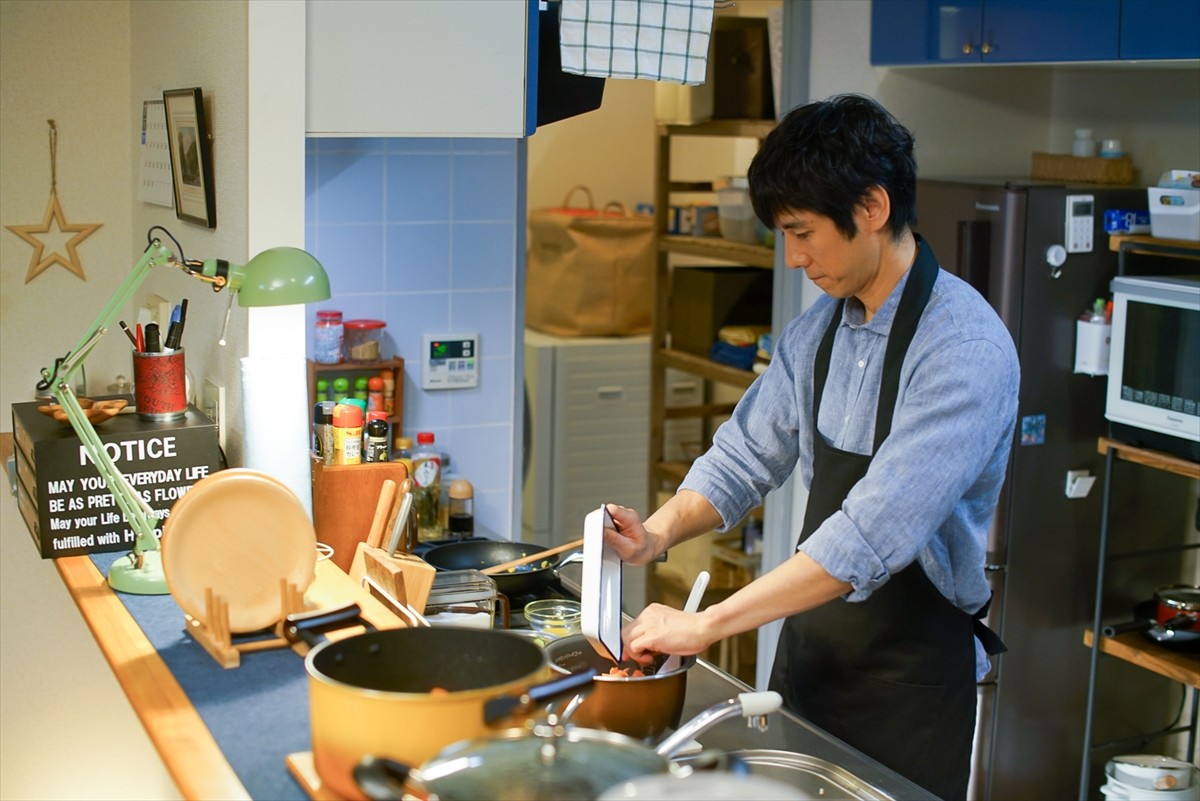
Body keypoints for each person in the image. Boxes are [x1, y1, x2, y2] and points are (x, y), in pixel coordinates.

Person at [605, 94, 1019, 801]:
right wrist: (658, 533)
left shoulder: (963, 351)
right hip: (809, 666)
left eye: (803, 232)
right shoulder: (818, 331)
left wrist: (705, 623)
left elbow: (866, 537)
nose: (793, 258)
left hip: (908, 695)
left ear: (874, 207)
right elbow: (743, 457)